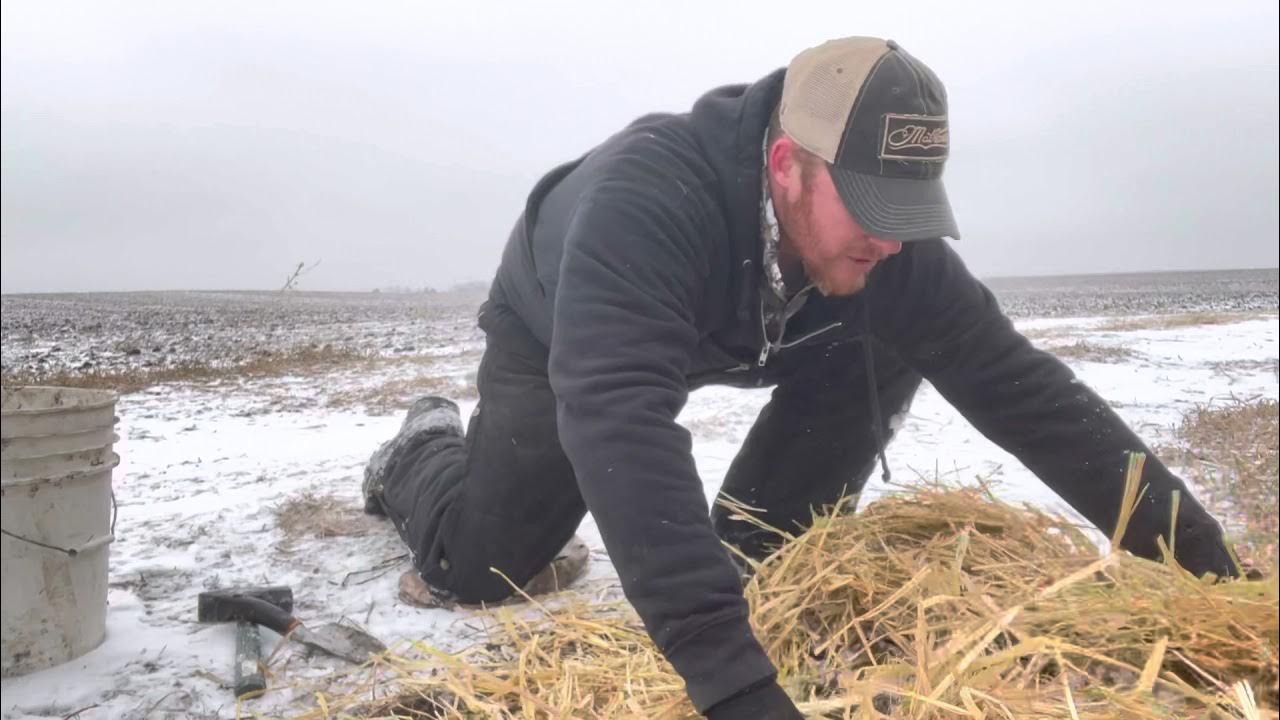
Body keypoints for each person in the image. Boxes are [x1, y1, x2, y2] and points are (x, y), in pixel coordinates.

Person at [361, 36, 1238, 719]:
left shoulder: (882, 247)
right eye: (876, 211)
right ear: (787, 167)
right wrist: (734, 689)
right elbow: (620, 421)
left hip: (761, 321)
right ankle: (419, 449)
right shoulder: (649, 203)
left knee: (895, 332)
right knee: (482, 570)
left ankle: (755, 564)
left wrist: (1210, 569)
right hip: (561, 325)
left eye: (912, 212)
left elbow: (1018, 387)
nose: (894, 239)